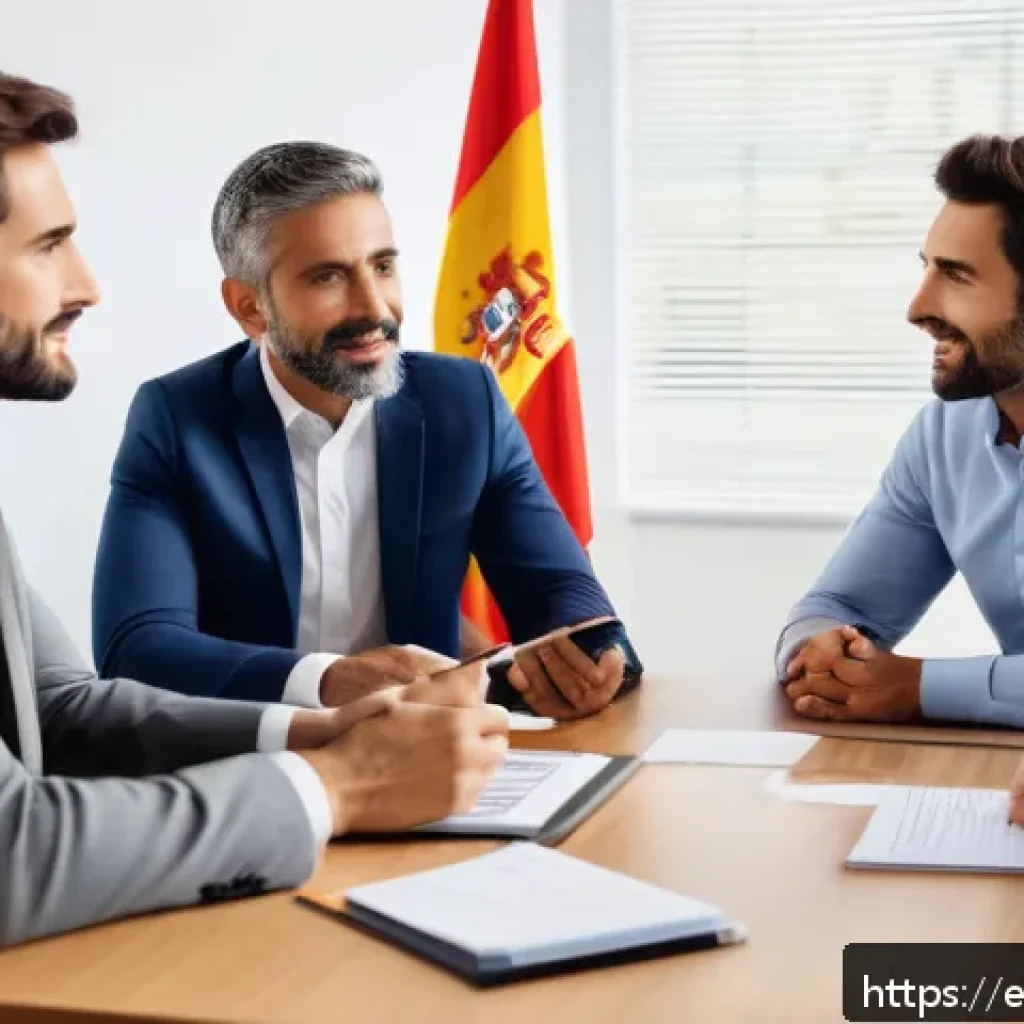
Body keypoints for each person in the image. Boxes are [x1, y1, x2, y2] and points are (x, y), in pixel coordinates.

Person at [0, 71, 508, 948]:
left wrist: (317, 733)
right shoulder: (176, 414)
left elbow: (59, 711)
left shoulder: (463, 398)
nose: (87, 284)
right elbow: (14, 852)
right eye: (49, 247)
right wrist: (343, 787)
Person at [91, 141, 637, 722]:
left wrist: (593, 653)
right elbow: (137, 649)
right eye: (328, 277)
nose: (374, 307)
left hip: (424, 754)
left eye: (382, 265)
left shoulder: (465, 403)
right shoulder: (176, 418)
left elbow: (557, 589)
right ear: (250, 307)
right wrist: (329, 680)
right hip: (254, 763)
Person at [778, 134, 1024, 729]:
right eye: (926, 269)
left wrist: (920, 685)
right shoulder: (945, 433)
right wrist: (822, 656)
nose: (917, 308)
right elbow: (843, 606)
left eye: (957, 277)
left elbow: (910, 687)